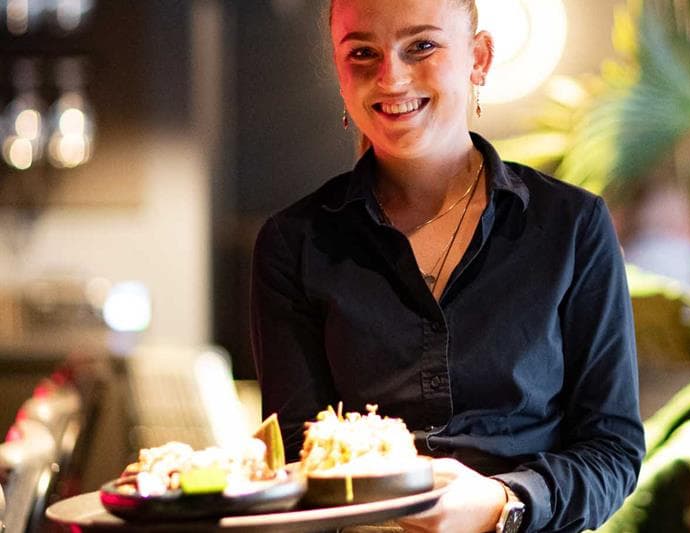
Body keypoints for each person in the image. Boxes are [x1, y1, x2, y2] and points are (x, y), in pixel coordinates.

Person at [250, 0, 645, 531]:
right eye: (362, 53)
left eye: (422, 46)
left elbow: (612, 449)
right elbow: (298, 452)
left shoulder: (573, 226)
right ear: (340, 74)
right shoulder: (292, 242)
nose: (390, 77)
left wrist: (503, 503)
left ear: (478, 58)